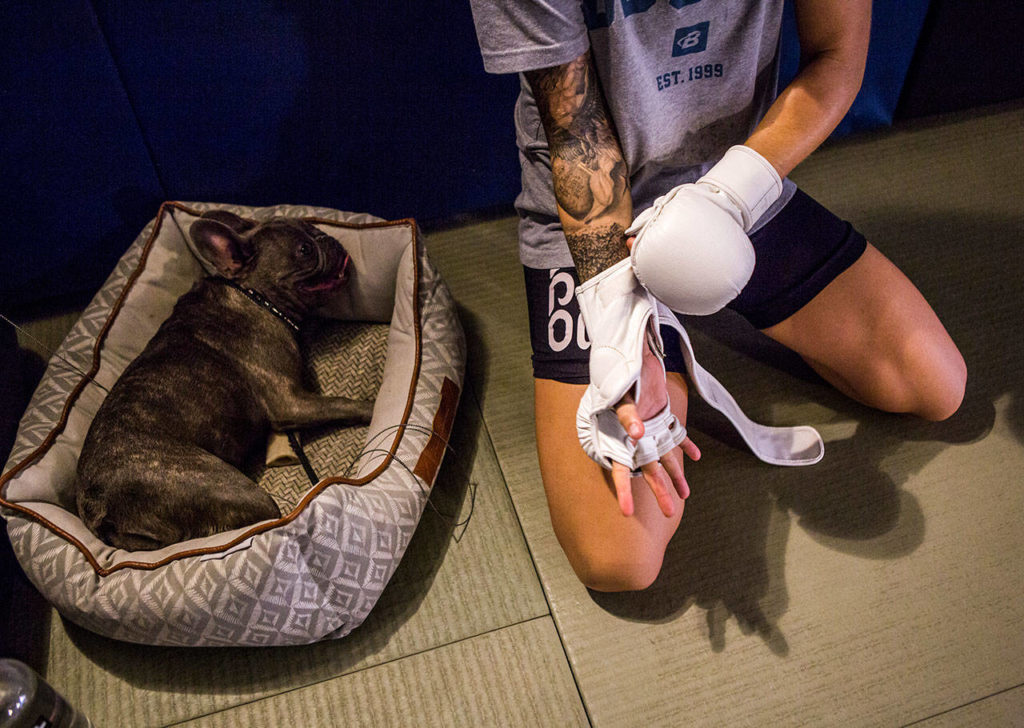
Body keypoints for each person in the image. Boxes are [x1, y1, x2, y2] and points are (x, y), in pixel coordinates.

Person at [467, 0, 967, 592]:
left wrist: (723, 201)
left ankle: (712, 291)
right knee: (619, 557)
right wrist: (621, 329)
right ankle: (665, 323)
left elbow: (837, 58)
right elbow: (576, 134)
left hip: (731, 180)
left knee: (933, 384)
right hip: (589, 213)